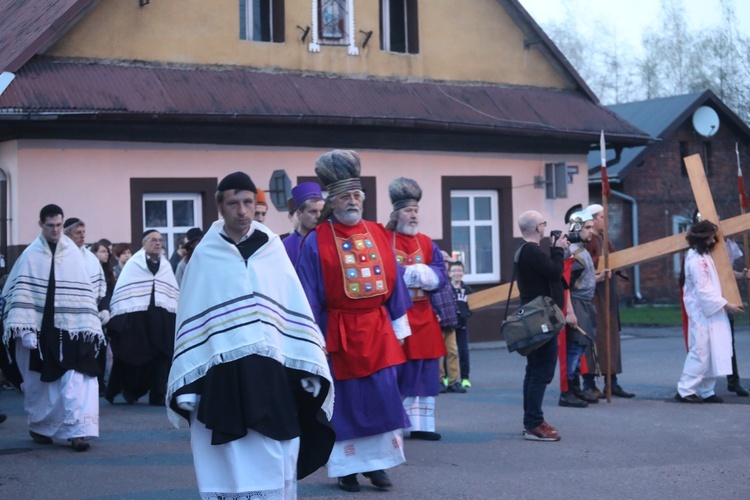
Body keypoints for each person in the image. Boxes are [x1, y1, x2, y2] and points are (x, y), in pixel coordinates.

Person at [166, 172, 334, 499]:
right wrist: (190, 380)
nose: (242, 211)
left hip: (270, 371)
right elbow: (192, 314)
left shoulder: (271, 247)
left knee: (274, 446)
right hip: (221, 376)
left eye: (248, 203)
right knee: (229, 452)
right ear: (220, 206)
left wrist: (305, 363)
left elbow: (290, 304)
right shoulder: (205, 254)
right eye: (233, 203)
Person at [296, 150, 412, 492]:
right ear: (333, 201)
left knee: (382, 398)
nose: (352, 202)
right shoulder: (316, 241)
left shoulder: (377, 232)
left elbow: (395, 281)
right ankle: (346, 470)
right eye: (345, 196)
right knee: (345, 404)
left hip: (377, 330)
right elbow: (308, 293)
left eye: (357, 196)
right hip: (339, 334)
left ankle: (378, 467)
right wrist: (310, 341)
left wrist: (399, 325)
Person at [2, 204, 105, 451]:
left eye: (59, 225)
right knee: (40, 382)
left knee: (77, 377)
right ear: (41, 224)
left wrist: (90, 322)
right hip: (41, 329)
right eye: (51, 225)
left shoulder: (74, 255)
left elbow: (85, 293)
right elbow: (18, 293)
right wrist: (25, 328)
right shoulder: (30, 255)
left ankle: (79, 432)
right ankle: (41, 426)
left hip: (74, 328)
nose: (56, 230)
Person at [386, 177, 447, 441]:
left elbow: (441, 274)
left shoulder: (426, 241)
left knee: (426, 370)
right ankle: (396, 422)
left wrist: (427, 274)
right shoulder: (384, 239)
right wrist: (410, 273)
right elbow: (383, 271)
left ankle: (423, 425)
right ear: (396, 213)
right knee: (401, 370)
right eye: (408, 211)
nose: (413, 215)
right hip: (397, 314)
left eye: (416, 211)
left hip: (424, 315)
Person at [106, 230, 179, 406]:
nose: (158, 243)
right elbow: (123, 293)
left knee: (162, 356)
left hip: (161, 320)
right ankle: (130, 390)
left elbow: (172, 293)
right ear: (143, 243)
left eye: (160, 240)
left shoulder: (165, 266)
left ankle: (158, 394)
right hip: (137, 320)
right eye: (153, 240)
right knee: (134, 356)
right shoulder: (134, 264)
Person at [515, 210, 569, 441]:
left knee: (533, 371)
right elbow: (555, 272)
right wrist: (558, 250)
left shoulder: (525, 251)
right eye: (544, 224)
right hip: (541, 319)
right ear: (538, 228)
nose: (545, 228)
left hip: (536, 316)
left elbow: (548, 273)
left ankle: (532, 420)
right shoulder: (531, 251)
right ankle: (533, 424)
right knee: (541, 372)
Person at [676, 220, 743, 403]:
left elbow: (720, 274)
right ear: (703, 238)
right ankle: (685, 389)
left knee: (714, 349)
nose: (714, 239)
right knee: (701, 350)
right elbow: (703, 290)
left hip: (712, 310)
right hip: (701, 311)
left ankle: (707, 390)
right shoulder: (696, 259)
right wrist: (726, 304)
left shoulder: (704, 255)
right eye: (711, 236)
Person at [583, 203, 635, 399]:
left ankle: (611, 382)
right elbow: (587, 265)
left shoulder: (604, 239)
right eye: (603, 217)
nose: (606, 220)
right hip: (595, 296)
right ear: (594, 219)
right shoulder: (589, 240)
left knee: (611, 338)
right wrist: (601, 269)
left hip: (608, 296)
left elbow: (613, 259)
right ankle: (588, 383)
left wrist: (618, 266)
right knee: (594, 339)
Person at [559, 209, 608, 408]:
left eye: (590, 226)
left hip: (584, 303)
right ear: (576, 228)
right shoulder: (573, 252)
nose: (591, 231)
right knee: (575, 347)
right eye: (587, 227)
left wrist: (599, 277)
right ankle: (569, 390)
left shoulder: (582, 251)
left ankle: (576, 388)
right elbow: (566, 285)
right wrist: (570, 311)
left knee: (579, 348)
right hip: (577, 304)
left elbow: (581, 281)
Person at [434, 251, 465, 394]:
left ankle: (454, 381)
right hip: (437, 323)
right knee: (437, 354)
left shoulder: (447, 279)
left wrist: (456, 317)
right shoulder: (433, 278)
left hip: (450, 322)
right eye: (445, 262)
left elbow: (452, 301)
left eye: (447, 262)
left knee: (453, 351)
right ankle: (440, 381)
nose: (447, 265)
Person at [283, 182, 325, 266]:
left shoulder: (329, 241)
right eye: (313, 211)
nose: (319, 216)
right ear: (299, 214)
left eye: (322, 211)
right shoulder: (285, 246)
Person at [449, 260, 473, 388]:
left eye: (459, 271)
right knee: (449, 352)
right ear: (449, 273)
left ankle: (465, 378)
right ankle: (448, 376)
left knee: (463, 352)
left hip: (462, 325)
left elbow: (473, 305)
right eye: (454, 271)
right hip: (449, 326)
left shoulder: (467, 289)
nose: (457, 273)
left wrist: (467, 314)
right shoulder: (447, 289)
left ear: (463, 273)